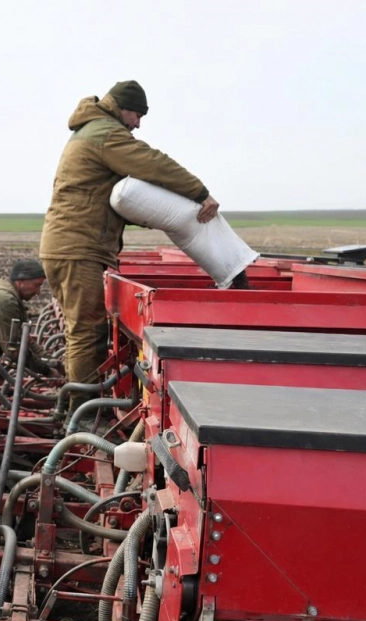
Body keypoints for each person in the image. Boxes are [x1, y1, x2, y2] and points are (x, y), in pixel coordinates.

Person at [38, 80, 227, 414]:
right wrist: (199, 192)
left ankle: (79, 407)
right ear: (122, 108)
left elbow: (104, 198)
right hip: (78, 248)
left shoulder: (92, 131)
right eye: (137, 115)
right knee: (87, 332)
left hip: (71, 245)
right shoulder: (105, 133)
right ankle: (84, 415)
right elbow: (152, 164)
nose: (137, 124)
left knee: (83, 330)